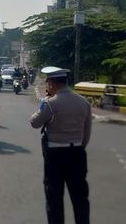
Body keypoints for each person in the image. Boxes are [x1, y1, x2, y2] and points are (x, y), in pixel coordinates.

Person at [30, 67, 92, 224]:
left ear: (52, 84)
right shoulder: (84, 103)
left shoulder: (50, 104)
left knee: (54, 199)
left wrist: (44, 103)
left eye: (47, 82)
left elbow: (35, 123)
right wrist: (78, 148)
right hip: (77, 153)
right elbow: (86, 134)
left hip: (55, 156)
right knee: (80, 198)